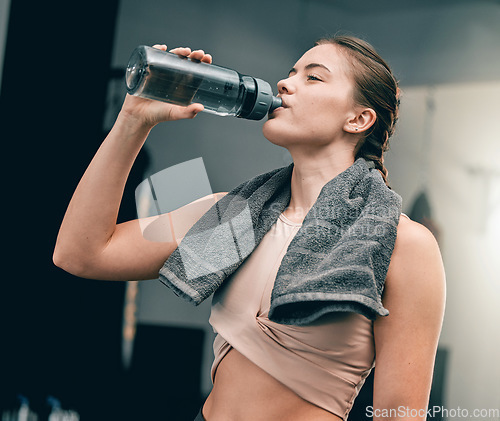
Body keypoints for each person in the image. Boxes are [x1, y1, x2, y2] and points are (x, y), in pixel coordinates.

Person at [53, 36, 446, 421]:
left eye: (313, 77)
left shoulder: (401, 243)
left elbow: (399, 415)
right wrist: (133, 121)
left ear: (358, 119)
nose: (284, 83)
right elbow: (82, 254)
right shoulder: (236, 218)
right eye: (290, 72)